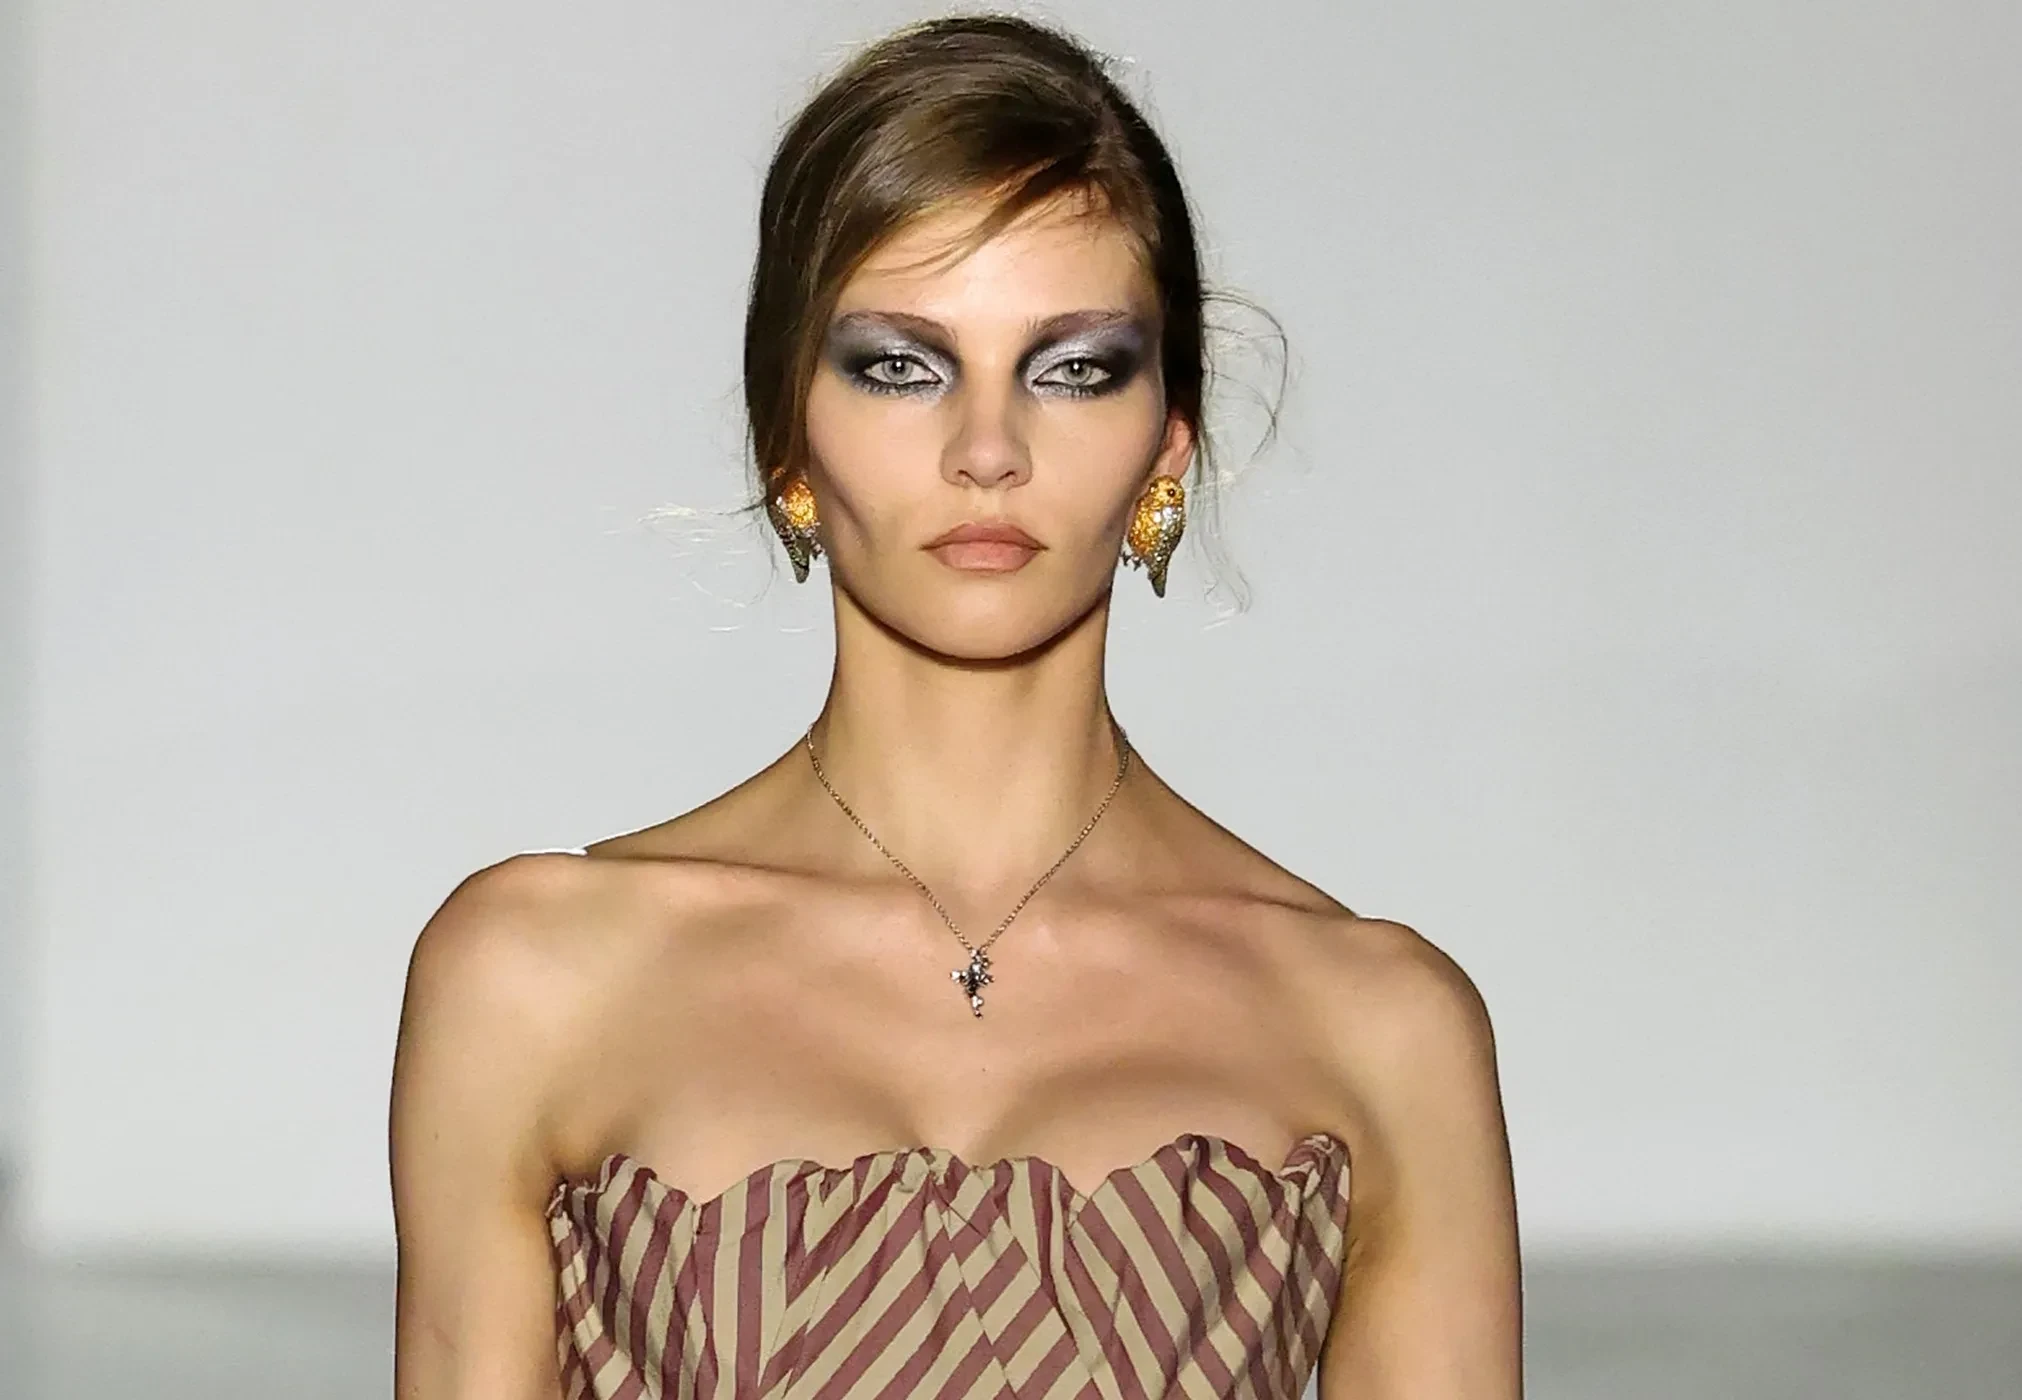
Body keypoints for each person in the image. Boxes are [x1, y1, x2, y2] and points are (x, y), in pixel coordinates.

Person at [389, 13, 1521, 1399]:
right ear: (787, 434)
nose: (988, 450)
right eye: (900, 367)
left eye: (1073, 369)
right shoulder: (536, 978)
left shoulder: (1379, 1029)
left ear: (1168, 446)